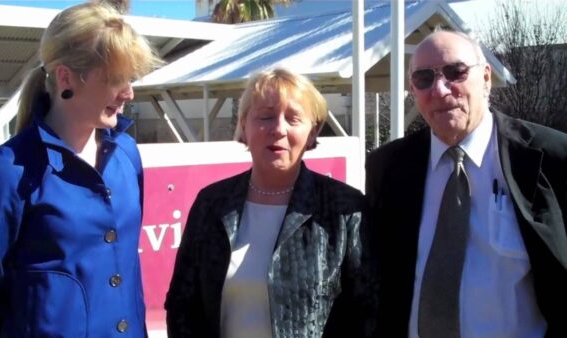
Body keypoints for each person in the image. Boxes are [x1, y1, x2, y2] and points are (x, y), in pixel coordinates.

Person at [0, 1, 161, 337]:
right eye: (117, 79)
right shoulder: (5, 174)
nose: (129, 93)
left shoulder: (126, 154)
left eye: (130, 78)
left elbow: (126, 270)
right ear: (66, 77)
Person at [366, 29, 567, 338]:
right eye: (424, 79)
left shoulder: (550, 159)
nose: (441, 90)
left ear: (486, 76)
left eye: (455, 72)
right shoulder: (388, 168)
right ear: (412, 89)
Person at [165, 68, 378, 338]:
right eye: (265, 116)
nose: (278, 129)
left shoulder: (344, 208)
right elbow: (182, 304)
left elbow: (367, 313)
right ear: (243, 126)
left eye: (293, 119)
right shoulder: (212, 204)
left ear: (313, 132)